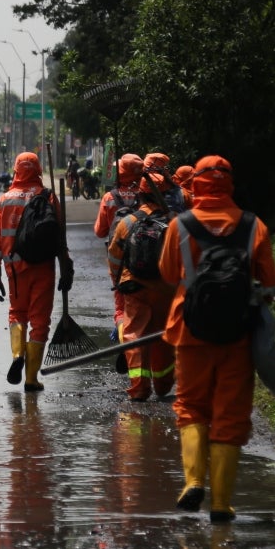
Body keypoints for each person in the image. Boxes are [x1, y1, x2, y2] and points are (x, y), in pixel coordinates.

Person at [158, 155, 275, 522]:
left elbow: (166, 274)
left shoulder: (180, 225)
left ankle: (194, 481)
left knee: (191, 406)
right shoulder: (254, 226)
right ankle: (222, 504)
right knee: (231, 414)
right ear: (228, 184)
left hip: (189, 330)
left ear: (197, 186)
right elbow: (270, 285)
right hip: (237, 335)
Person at [0, 151, 73, 392]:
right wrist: (66, 265)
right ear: (37, 170)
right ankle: (32, 379)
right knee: (40, 322)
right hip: (43, 266)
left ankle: (17, 355)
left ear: (16, 170)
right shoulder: (48, 197)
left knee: (17, 313)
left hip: (14, 268)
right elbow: (60, 236)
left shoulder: (5, 199)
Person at [106, 170, 176, 401]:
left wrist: (118, 280)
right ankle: (163, 384)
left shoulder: (128, 222)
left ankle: (139, 388)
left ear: (141, 195)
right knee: (164, 336)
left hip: (134, 287)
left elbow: (115, 256)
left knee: (135, 335)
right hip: (165, 289)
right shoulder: (174, 223)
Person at [94, 153, 144, 341]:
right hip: (143, 258)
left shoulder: (109, 197)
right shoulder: (146, 194)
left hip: (117, 260)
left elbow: (100, 232)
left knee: (120, 307)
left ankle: (125, 347)